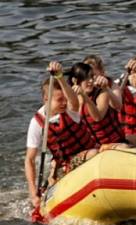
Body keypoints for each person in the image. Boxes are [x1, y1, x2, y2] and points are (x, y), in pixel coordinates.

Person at [25, 61, 97, 211]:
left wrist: (60, 77)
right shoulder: (37, 123)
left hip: (89, 152)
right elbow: (30, 159)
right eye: (59, 100)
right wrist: (33, 194)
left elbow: (73, 101)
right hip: (68, 162)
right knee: (92, 155)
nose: (64, 103)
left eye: (64, 98)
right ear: (46, 99)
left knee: (101, 152)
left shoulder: (70, 110)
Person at [68, 62, 127, 147]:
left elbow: (97, 117)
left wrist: (84, 96)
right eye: (86, 78)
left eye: (92, 77)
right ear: (75, 81)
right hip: (93, 147)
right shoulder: (73, 98)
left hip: (114, 142)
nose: (91, 81)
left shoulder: (102, 92)